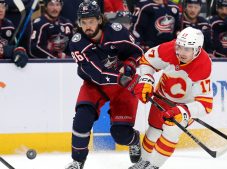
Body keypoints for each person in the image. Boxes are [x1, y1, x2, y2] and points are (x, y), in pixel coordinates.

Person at [65, 1, 144, 169]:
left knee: (121, 135)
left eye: (91, 21)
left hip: (123, 87)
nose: (87, 26)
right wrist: (120, 77)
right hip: (95, 85)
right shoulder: (77, 43)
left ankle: (134, 140)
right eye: (83, 22)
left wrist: (129, 68)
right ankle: (78, 161)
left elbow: (138, 53)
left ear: (100, 20)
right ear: (79, 23)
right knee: (81, 120)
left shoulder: (116, 32)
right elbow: (98, 75)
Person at [130, 27, 213, 169]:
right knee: (154, 130)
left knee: (172, 129)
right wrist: (146, 79)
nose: (181, 52)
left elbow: (205, 105)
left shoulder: (203, 65)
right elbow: (147, 61)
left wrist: (183, 111)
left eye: (187, 49)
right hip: (163, 95)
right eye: (179, 47)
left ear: (198, 49)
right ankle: (142, 162)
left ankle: (154, 166)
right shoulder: (168, 49)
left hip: (186, 103)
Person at [0, 0, 28, 68]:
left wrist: (18, 52)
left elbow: (14, 46)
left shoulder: (9, 25)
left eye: (3, 7)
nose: (1, 10)